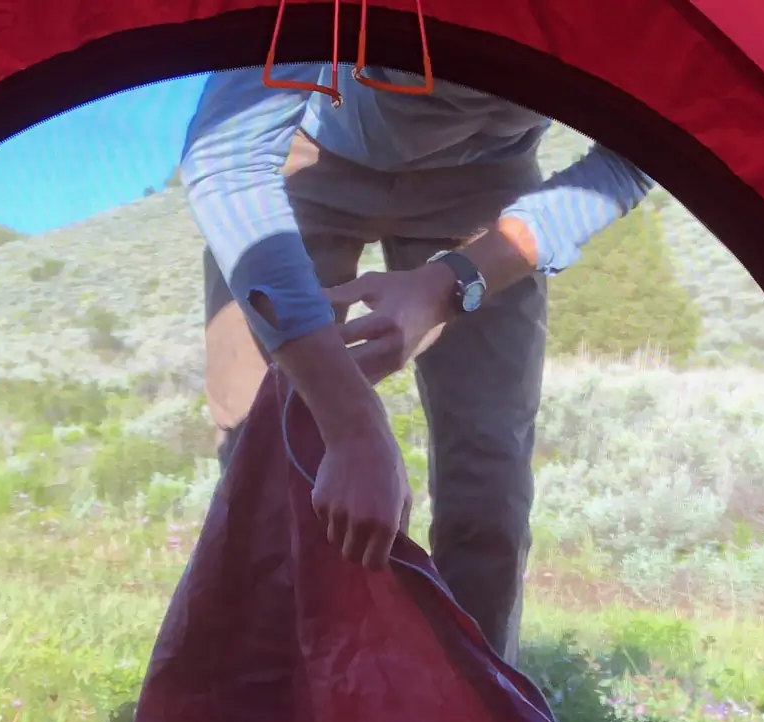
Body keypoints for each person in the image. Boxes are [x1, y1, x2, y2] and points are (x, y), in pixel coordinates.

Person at [180, 64, 653, 659]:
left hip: (487, 179)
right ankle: (266, 714)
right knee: (256, 448)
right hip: (310, 152)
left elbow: (641, 154)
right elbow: (227, 157)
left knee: (488, 484)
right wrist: (351, 425)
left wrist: (448, 286)